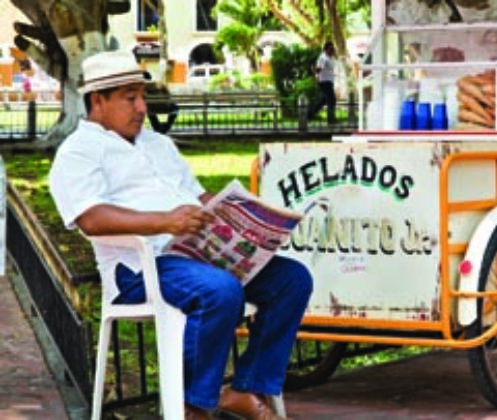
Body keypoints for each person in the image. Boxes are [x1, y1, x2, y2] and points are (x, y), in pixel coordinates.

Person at [49, 50, 313, 420]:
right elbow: (91, 218)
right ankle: (192, 407)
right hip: (139, 267)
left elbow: (197, 195)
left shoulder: (158, 144)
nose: (142, 107)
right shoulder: (78, 152)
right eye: (130, 98)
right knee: (220, 290)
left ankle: (246, 388)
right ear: (98, 101)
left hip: (198, 254)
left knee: (292, 279)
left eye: (142, 96)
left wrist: (249, 221)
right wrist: (164, 221)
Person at [307, 41, 337, 124]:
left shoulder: (331, 58)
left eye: (333, 48)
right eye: (331, 49)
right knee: (332, 100)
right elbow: (319, 69)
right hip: (324, 82)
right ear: (326, 49)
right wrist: (313, 70)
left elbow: (329, 69)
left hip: (329, 81)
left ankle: (309, 115)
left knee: (323, 100)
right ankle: (331, 119)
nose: (332, 50)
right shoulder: (323, 58)